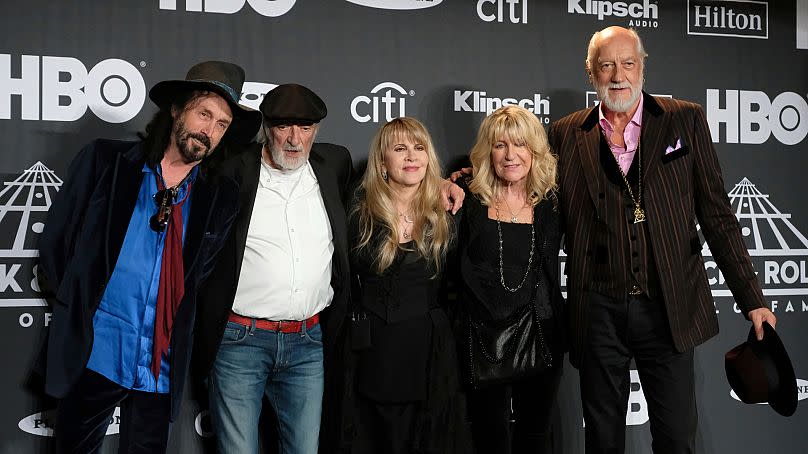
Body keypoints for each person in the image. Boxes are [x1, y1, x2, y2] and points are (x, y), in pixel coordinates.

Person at [547, 26, 777, 453]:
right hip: (597, 310)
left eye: (628, 63)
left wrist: (753, 298)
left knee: (675, 437)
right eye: (607, 64)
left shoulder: (683, 118)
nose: (619, 74)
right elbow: (530, 197)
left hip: (668, 307)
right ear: (591, 72)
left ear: (642, 67)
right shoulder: (564, 134)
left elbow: (717, 215)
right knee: (602, 438)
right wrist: (464, 182)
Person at [36, 60, 261, 453]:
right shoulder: (106, 162)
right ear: (177, 109)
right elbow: (58, 245)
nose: (209, 131)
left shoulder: (219, 199)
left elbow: (203, 278)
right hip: (96, 351)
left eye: (221, 124)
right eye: (204, 113)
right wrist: (77, 311)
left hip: (161, 364)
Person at [192, 83, 353, 454]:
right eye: (284, 127)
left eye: (306, 128)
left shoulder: (335, 164)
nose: (295, 139)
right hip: (239, 341)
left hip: (308, 343)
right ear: (267, 127)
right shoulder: (232, 168)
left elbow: (388, 188)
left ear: (317, 130)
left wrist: (445, 183)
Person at [339, 117, 471, 454]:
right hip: (370, 353)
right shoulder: (358, 210)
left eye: (419, 148)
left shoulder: (448, 211)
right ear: (383, 161)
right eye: (400, 149)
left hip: (428, 353)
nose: (411, 157)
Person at [455, 105, 565, 453]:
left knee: (536, 435)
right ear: (488, 151)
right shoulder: (467, 198)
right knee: (490, 436)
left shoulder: (552, 203)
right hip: (483, 334)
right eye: (500, 145)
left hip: (542, 330)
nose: (510, 155)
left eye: (520, 144)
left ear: (534, 151)